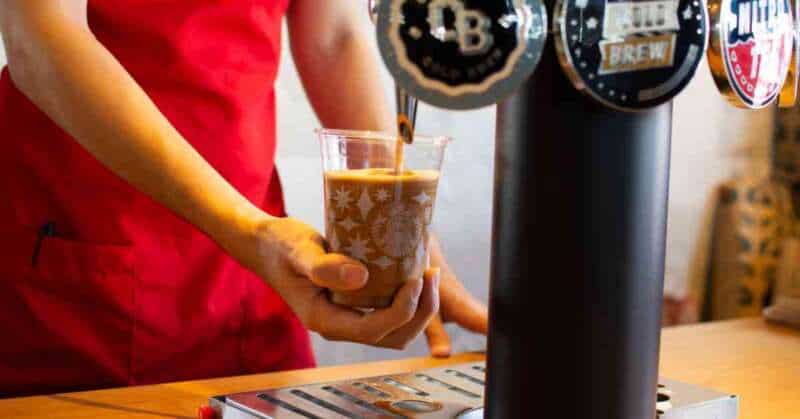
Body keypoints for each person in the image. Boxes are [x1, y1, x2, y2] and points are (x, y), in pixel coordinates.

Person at [0, 0, 488, 397]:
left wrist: (410, 238)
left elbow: (333, 36)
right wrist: (252, 235)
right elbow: (41, 38)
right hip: (79, 258)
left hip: (254, 274)